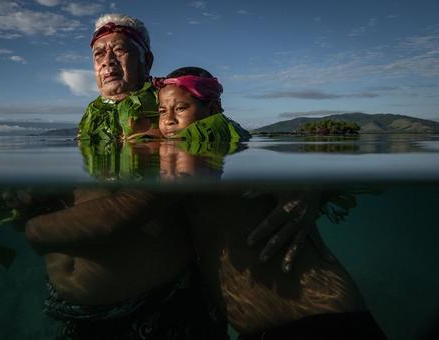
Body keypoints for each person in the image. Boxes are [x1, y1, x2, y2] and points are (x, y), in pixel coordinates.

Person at [20, 13, 327, 339]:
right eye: (99, 54)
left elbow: (230, 133)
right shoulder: (92, 124)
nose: (107, 62)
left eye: (120, 50)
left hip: (159, 310)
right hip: (79, 318)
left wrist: (308, 182)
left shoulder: (169, 109)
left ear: (146, 59)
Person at [151, 67, 386, 338]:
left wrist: (314, 187)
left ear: (213, 107)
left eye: (180, 108)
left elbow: (328, 171)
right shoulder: (174, 160)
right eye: (161, 111)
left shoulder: (237, 151)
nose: (168, 120)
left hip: (320, 318)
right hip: (258, 328)